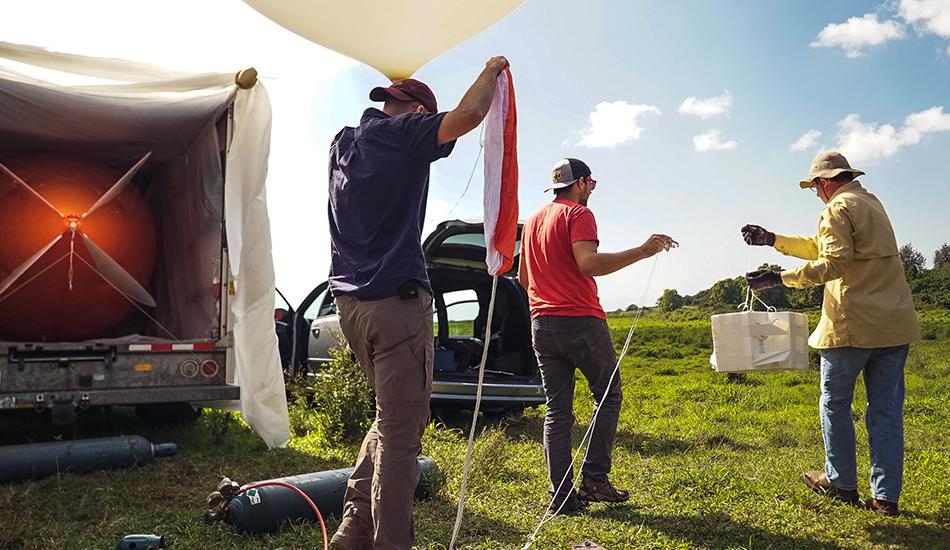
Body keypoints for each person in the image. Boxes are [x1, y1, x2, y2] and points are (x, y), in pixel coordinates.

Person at [326, 56, 510, 550]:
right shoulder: (405, 134)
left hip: (350, 308)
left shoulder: (342, 143)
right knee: (403, 439)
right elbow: (468, 117)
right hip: (396, 304)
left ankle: (353, 530)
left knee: (390, 420)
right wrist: (490, 69)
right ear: (413, 113)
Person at [742, 151, 920, 516]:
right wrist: (773, 238)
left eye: (814, 187)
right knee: (886, 411)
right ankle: (885, 498)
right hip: (894, 324)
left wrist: (780, 278)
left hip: (852, 326)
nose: (816, 194)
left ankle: (841, 484)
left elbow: (833, 262)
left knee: (834, 403)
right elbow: (822, 246)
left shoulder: (836, 209)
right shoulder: (870, 202)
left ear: (824, 182)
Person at [519, 158, 677, 514]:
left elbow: (525, 281)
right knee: (608, 395)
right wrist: (642, 251)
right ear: (582, 184)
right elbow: (587, 263)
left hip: (541, 324)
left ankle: (562, 499)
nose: (592, 190)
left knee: (557, 411)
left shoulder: (532, 222)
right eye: (592, 184)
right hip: (580, 320)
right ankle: (594, 480)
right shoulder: (578, 214)